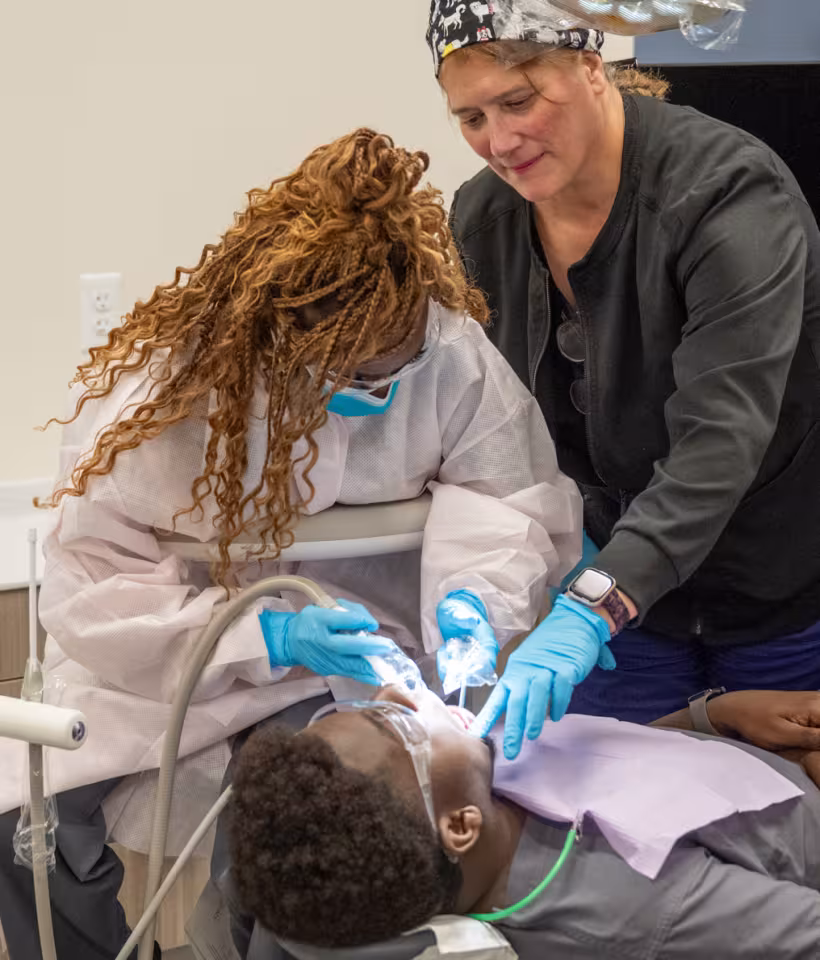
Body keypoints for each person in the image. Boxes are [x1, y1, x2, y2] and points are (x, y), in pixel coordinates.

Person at [0, 129, 581, 959]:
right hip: (168, 657)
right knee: (29, 826)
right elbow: (94, 582)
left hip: (368, 655)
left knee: (289, 841)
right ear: (280, 336)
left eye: (394, 372)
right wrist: (259, 635)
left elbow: (508, 498)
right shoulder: (171, 392)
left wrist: (472, 604)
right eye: (349, 376)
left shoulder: (452, 355)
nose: (376, 396)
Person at [423, 1, 820, 758]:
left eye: (518, 100)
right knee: (620, 826)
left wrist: (593, 605)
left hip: (774, 588)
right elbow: (489, 422)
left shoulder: (729, 196)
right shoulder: (484, 219)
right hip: (620, 603)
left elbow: (721, 439)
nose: (499, 141)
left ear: (591, 67)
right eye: (471, 117)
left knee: (784, 828)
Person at [227, 685, 820, 959]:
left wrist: (709, 716)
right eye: (400, 725)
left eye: (369, 704)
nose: (399, 691)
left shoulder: (479, 797)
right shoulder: (636, 913)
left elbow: (618, 795)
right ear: (460, 828)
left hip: (751, 754)